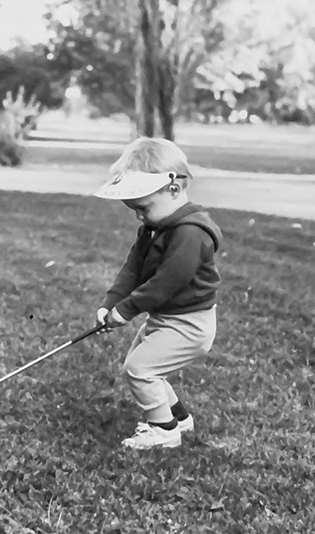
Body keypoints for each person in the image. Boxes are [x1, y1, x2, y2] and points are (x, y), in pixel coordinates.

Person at [93, 137, 222, 450]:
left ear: (173, 189)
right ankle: (178, 418)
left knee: (141, 369)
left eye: (143, 208)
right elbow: (133, 269)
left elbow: (167, 282)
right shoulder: (154, 228)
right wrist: (110, 302)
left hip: (189, 324)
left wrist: (126, 310)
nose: (139, 216)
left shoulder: (190, 233)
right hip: (167, 318)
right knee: (147, 367)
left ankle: (163, 432)